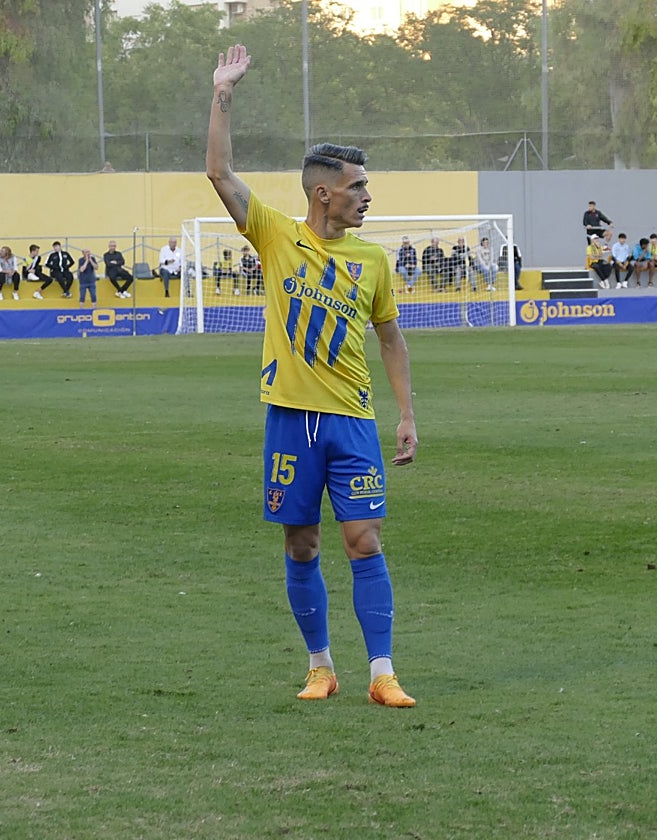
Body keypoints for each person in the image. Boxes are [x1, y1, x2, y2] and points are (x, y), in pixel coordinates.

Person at [206, 43, 418, 707]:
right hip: (290, 417)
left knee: (364, 539)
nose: (367, 197)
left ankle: (382, 673)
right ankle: (321, 666)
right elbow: (219, 172)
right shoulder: (274, 234)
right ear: (324, 192)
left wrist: (406, 413)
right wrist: (224, 93)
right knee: (302, 544)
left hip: (353, 421)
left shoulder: (373, 261)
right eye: (357, 187)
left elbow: (391, 338)